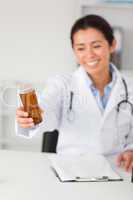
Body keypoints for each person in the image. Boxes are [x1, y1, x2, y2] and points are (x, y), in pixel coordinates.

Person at [16, 14, 133, 172]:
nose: (89, 54)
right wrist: (32, 118)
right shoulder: (62, 84)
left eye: (96, 46)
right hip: (73, 172)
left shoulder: (129, 86)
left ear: (112, 45)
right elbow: (46, 108)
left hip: (118, 171)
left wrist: (131, 149)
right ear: (74, 51)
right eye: (80, 48)